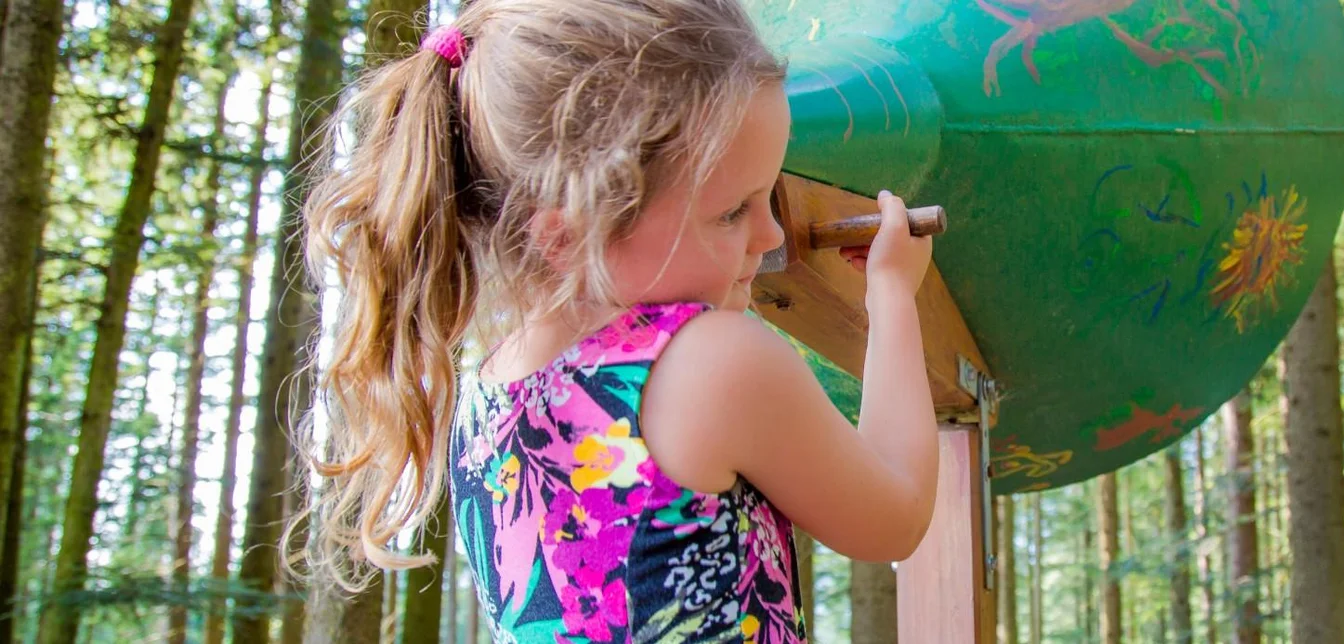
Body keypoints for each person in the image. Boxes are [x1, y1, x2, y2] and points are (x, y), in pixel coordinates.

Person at [297, 0, 940, 640]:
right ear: (568, 236)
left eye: (766, 197)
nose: (769, 234)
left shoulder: (484, 399)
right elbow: (896, 516)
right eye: (731, 211)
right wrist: (890, 294)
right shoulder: (710, 360)